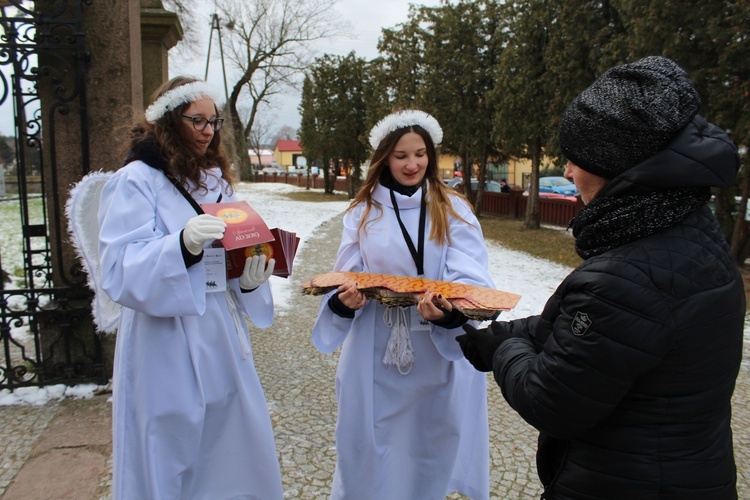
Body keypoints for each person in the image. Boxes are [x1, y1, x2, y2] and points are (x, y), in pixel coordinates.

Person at [457, 56, 745, 498]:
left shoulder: (628, 274)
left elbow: (549, 400)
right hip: (691, 474)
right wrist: (493, 333)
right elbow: (603, 334)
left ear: (615, 164)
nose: (568, 172)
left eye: (577, 159)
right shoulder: (689, 232)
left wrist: (504, 347)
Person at [97, 76, 283, 499]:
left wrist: (249, 280)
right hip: (163, 339)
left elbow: (232, 254)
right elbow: (119, 266)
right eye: (196, 120)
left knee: (233, 439)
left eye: (212, 121)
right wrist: (178, 247)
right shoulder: (136, 181)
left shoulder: (215, 183)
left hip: (217, 329)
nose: (207, 130)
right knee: (170, 445)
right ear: (168, 121)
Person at [312, 110, 495, 499]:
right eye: (400, 156)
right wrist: (345, 302)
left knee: (430, 446)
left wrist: (450, 310)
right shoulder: (364, 212)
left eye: (420, 154)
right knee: (374, 448)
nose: (412, 164)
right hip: (374, 350)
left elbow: (471, 275)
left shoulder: (453, 208)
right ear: (384, 159)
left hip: (435, 348)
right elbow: (346, 272)